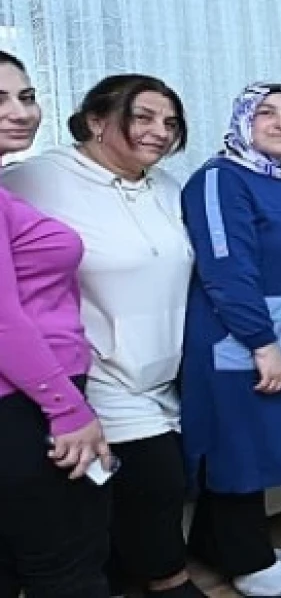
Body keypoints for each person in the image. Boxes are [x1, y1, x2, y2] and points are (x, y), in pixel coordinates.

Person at [1, 75, 204, 597]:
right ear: (96, 121)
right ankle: (168, 582)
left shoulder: (167, 187)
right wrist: (64, 402)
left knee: (125, 503)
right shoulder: (34, 177)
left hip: (160, 369)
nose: (160, 131)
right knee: (147, 489)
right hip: (89, 372)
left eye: (171, 122)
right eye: (143, 117)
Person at [180, 83, 281, 597]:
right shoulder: (219, 178)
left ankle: (221, 545)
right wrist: (262, 343)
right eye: (267, 112)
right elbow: (226, 269)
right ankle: (252, 568)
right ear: (243, 120)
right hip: (240, 338)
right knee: (239, 448)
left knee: (262, 442)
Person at [0, 50, 112, 598]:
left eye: (26, 96)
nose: (20, 112)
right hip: (25, 403)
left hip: (30, 397)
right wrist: (66, 408)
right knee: (67, 565)